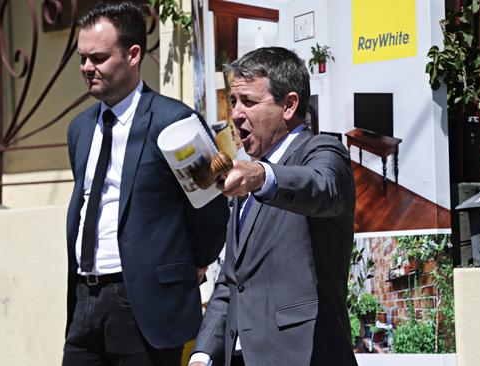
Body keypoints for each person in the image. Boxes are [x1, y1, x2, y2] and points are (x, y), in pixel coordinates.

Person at [64, 2, 229, 366]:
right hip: (84, 301)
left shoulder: (175, 121)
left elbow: (212, 208)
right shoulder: (79, 129)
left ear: (133, 54)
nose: (86, 68)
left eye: (98, 58)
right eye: (82, 58)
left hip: (145, 307)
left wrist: (195, 262)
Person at [189, 47, 358, 366]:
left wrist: (261, 175)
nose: (236, 113)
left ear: (289, 104)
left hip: (305, 355)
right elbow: (231, 281)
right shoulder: (246, 176)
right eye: (235, 101)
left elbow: (323, 187)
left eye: (249, 101)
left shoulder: (321, 151)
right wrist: (202, 354)